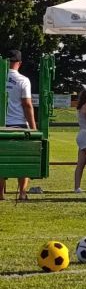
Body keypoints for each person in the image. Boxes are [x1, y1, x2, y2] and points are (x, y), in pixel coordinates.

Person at [0, 50, 36, 202]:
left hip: (2, 124)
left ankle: (0, 194)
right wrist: (33, 128)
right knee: (23, 159)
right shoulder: (23, 80)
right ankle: (22, 192)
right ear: (19, 63)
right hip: (19, 124)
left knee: (1, 159)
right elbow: (27, 104)